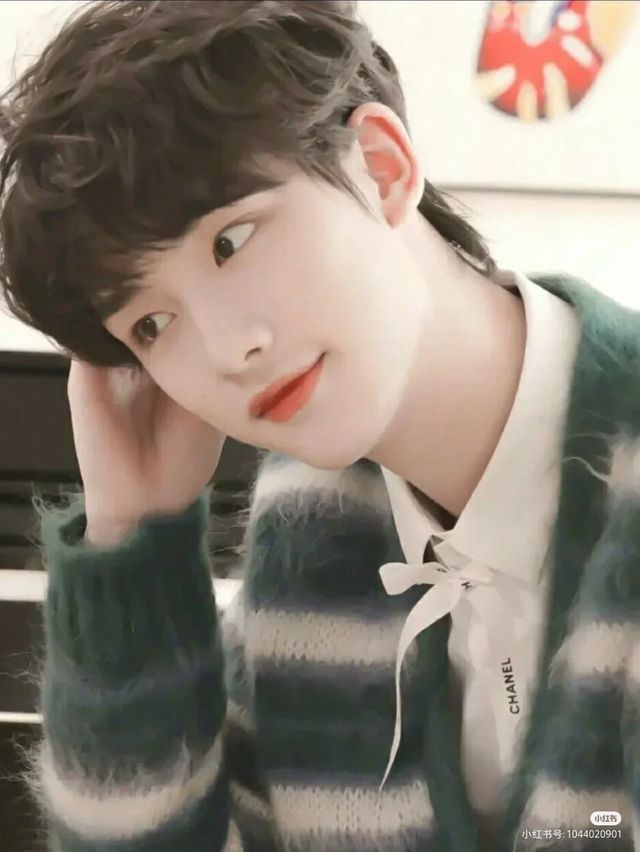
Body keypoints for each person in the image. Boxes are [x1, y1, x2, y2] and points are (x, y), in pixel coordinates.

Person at [1, 2, 639, 850]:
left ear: (380, 166)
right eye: (151, 325)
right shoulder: (316, 529)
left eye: (232, 241)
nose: (227, 350)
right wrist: (133, 547)